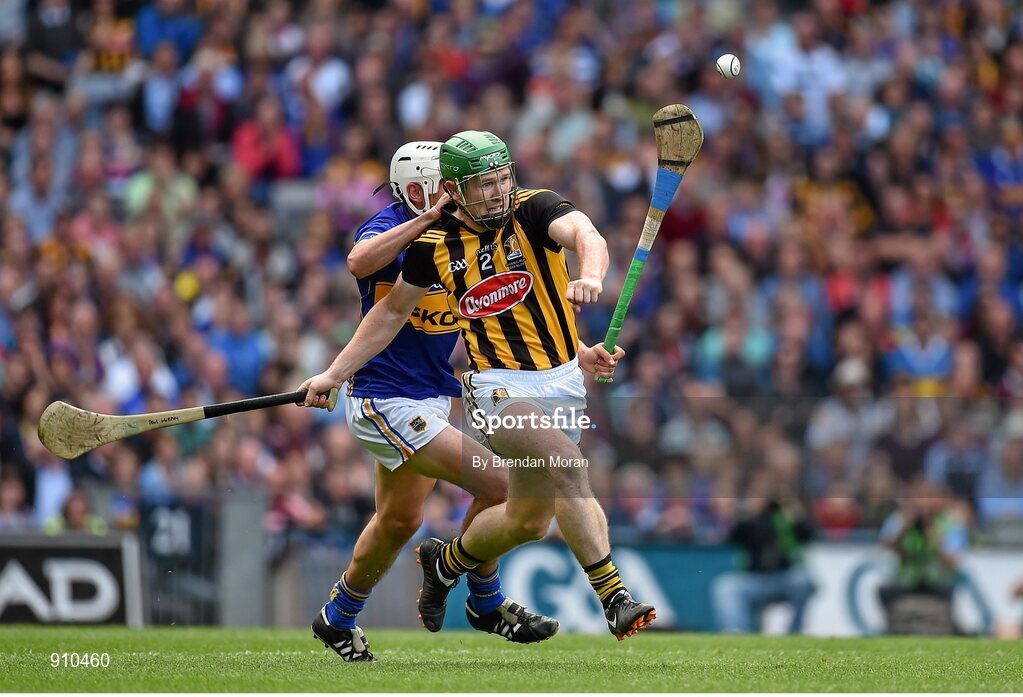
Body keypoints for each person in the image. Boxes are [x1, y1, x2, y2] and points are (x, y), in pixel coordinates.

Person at [301, 130, 653, 641]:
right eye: (483, 184)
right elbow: (391, 309)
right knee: (566, 466)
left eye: (502, 179)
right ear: (456, 188)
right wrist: (334, 373)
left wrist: (591, 282)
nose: (497, 191)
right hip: (492, 388)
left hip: (556, 381)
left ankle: (445, 564)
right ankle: (613, 596)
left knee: (528, 520)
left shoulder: (535, 209)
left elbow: (586, 236)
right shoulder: (432, 245)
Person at [307, 141, 557, 663]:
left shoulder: (463, 241)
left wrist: (580, 350)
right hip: (386, 399)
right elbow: (359, 262)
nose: (461, 195)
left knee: (399, 521)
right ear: (419, 190)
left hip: (430, 399)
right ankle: (485, 603)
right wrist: (334, 373)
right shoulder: (391, 225)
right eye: (449, 187)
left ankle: (336, 618)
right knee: (503, 485)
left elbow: (511, 309)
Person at [711, 477, 816, 634]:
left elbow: (808, 534)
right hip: (755, 579)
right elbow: (732, 537)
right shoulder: (750, 521)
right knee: (726, 586)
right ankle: (737, 632)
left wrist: (793, 512)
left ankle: (795, 631)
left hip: (783, 577)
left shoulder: (784, 519)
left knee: (803, 581)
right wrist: (744, 514)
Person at [877, 480, 967, 635]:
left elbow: (953, 562)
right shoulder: (899, 520)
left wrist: (934, 538)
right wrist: (905, 528)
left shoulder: (950, 523)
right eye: (917, 497)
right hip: (906, 581)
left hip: (937, 582)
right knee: (883, 591)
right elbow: (887, 547)